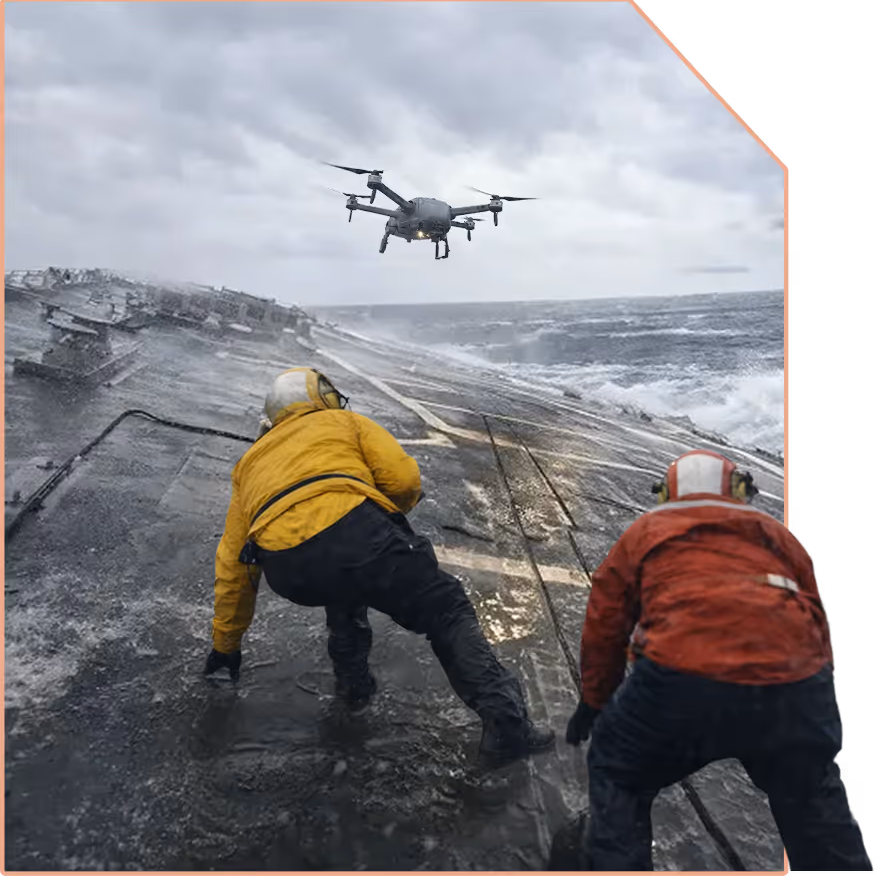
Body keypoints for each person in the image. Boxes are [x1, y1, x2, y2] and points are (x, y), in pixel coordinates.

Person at [204, 366, 555, 768]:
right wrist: (380, 522)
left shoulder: (247, 465)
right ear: (321, 398)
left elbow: (233, 560)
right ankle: (508, 728)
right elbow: (404, 481)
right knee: (447, 607)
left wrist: (225, 645)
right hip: (358, 535)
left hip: (288, 569)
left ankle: (354, 691)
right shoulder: (345, 421)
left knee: (344, 593)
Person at [556, 449, 871, 871]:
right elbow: (816, 617)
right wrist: (814, 704)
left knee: (618, 769)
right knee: (818, 811)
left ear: (669, 493)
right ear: (736, 489)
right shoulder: (778, 535)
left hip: (683, 682)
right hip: (796, 690)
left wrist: (594, 702)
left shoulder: (648, 529)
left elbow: (605, 620)